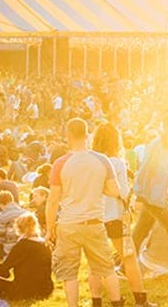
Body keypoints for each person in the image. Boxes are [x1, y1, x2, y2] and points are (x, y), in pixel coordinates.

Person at [46, 118, 123, 307]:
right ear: (87, 134)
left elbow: (53, 200)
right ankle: (117, 303)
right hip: (94, 222)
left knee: (69, 274)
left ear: (68, 136)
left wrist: (49, 229)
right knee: (107, 269)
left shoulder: (60, 163)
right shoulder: (101, 160)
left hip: (69, 224)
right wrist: (96, 188)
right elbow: (115, 191)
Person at [90, 122, 154, 307]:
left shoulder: (93, 162)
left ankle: (96, 301)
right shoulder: (117, 162)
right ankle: (141, 299)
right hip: (115, 216)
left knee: (96, 262)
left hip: (95, 216)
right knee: (129, 257)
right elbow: (123, 192)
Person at [132, 112, 168, 274]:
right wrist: (139, 194)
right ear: (165, 127)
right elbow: (145, 168)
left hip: (161, 196)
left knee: (140, 231)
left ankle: (122, 266)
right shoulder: (157, 145)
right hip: (153, 197)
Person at [0, 213, 54, 301]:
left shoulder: (22, 245)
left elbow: (4, 268)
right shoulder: (45, 244)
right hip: (45, 288)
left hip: (25, 291)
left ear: (19, 229)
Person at [0, 191, 25, 259]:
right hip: (26, 247)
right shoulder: (25, 212)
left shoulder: (2, 216)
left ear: (1, 204)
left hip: (11, 250)